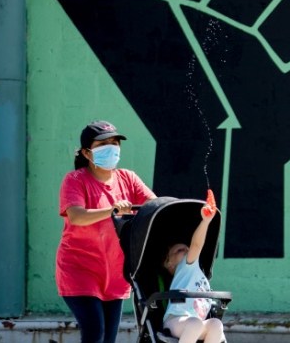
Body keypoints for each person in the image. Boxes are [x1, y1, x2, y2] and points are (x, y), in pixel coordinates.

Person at [56, 120, 157, 343]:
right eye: (103, 143)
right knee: (95, 332)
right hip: (79, 271)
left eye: (115, 142)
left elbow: (154, 206)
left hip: (114, 273)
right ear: (86, 152)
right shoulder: (75, 180)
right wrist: (112, 210)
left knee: (108, 338)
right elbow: (77, 216)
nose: (111, 147)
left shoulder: (128, 178)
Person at [159, 202, 225, 343]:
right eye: (180, 250)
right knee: (195, 323)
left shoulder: (198, 274)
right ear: (168, 263)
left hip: (196, 322)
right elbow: (196, 244)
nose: (188, 251)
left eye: (187, 249)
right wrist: (205, 221)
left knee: (215, 324)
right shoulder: (185, 268)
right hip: (176, 320)